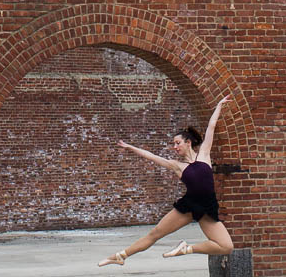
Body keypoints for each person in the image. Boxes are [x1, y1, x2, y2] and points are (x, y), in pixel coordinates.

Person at [98, 95, 234, 266]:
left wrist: (219, 105)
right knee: (155, 234)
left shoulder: (204, 155)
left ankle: (186, 249)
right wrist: (131, 147)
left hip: (207, 208)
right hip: (188, 206)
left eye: (177, 143)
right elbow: (152, 157)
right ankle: (120, 256)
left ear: (188, 142)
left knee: (226, 246)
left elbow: (211, 126)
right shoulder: (177, 166)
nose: (174, 147)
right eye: (173, 144)